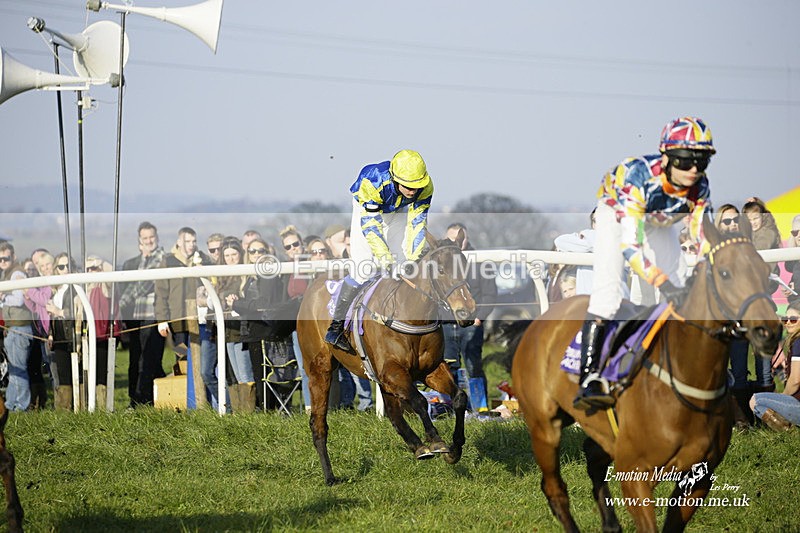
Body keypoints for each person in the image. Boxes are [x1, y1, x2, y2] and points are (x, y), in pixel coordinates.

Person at [573, 116, 714, 410]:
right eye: (686, 161)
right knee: (610, 293)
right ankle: (589, 378)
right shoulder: (639, 177)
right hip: (618, 213)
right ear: (667, 158)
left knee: (682, 285)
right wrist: (660, 281)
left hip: (659, 219)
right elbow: (631, 245)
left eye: (702, 162)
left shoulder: (700, 186)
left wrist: (703, 271)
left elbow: (703, 235)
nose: (694, 170)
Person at [325, 149, 434, 353]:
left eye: (417, 186)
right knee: (364, 270)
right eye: (409, 186)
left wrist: (409, 259)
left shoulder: (425, 187)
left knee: (404, 264)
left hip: (397, 209)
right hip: (366, 210)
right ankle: (336, 327)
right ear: (395, 178)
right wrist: (386, 260)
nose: (414, 191)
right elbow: (372, 228)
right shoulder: (373, 182)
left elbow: (418, 224)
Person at [441, 223, 496, 408]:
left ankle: (480, 406)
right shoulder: (442, 262)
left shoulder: (481, 262)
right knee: (449, 367)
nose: (455, 243)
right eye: (451, 240)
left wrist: (479, 317)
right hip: (448, 324)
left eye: (458, 239)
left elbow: (490, 294)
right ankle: (450, 407)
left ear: (466, 240)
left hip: (472, 323)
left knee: (473, 366)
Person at [118, 221, 167, 407]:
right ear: (139, 240)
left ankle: (146, 400)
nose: (148, 241)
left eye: (151, 237)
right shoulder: (132, 263)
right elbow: (125, 288)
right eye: (145, 238)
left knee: (149, 360)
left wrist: (120, 304)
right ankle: (135, 398)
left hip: (152, 315)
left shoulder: (161, 258)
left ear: (157, 237)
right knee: (135, 359)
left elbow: (141, 286)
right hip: (134, 318)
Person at [750, 300, 800, 429]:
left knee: (755, 400)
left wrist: (781, 398)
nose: (788, 322)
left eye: (793, 319)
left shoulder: (798, 343)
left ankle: (787, 430)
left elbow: (795, 380)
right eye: (785, 319)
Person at [0, 242, 34, 411]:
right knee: (14, 369)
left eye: (5, 258)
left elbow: (19, 300)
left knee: (18, 369)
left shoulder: (16, 273)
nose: (2, 262)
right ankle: (11, 404)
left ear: (13, 256)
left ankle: (21, 405)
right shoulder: (8, 273)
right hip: (13, 328)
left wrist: (2, 297)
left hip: (19, 328)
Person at [782, 214, 800, 305]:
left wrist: (796, 287)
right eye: (795, 232)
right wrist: (790, 288)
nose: (799, 236)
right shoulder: (795, 262)